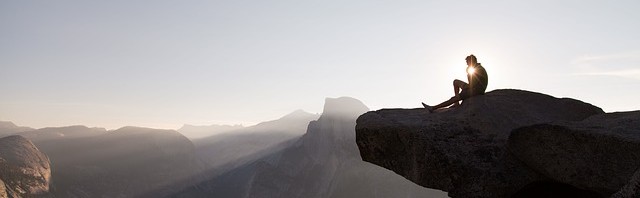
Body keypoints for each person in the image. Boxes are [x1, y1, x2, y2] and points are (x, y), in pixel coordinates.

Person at [422, 54, 488, 112]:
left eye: (468, 62)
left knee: (454, 98)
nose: (467, 64)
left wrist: (465, 89)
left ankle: (433, 108)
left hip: (476, 90)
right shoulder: (476, 68)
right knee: (456, 82)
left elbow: (473, 84)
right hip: (473, 87)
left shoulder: (478, 69)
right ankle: (456, 103)